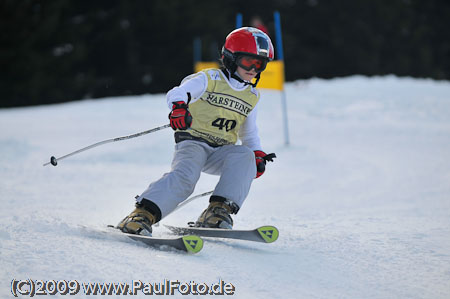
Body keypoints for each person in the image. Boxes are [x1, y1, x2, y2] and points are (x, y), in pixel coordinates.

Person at [117, 27, 276, 236]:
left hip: (222, 150)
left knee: (244, 156)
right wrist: (179, 107)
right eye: (249, 61)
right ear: (230, 57)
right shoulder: (210, 79)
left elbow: (250, 134)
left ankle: (217, 212)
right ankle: (141, 215)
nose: (254, 69)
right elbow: (177, 92)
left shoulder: (252, 95)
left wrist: (257, 154)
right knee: (186, 178)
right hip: (193, 143)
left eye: (260, 64)